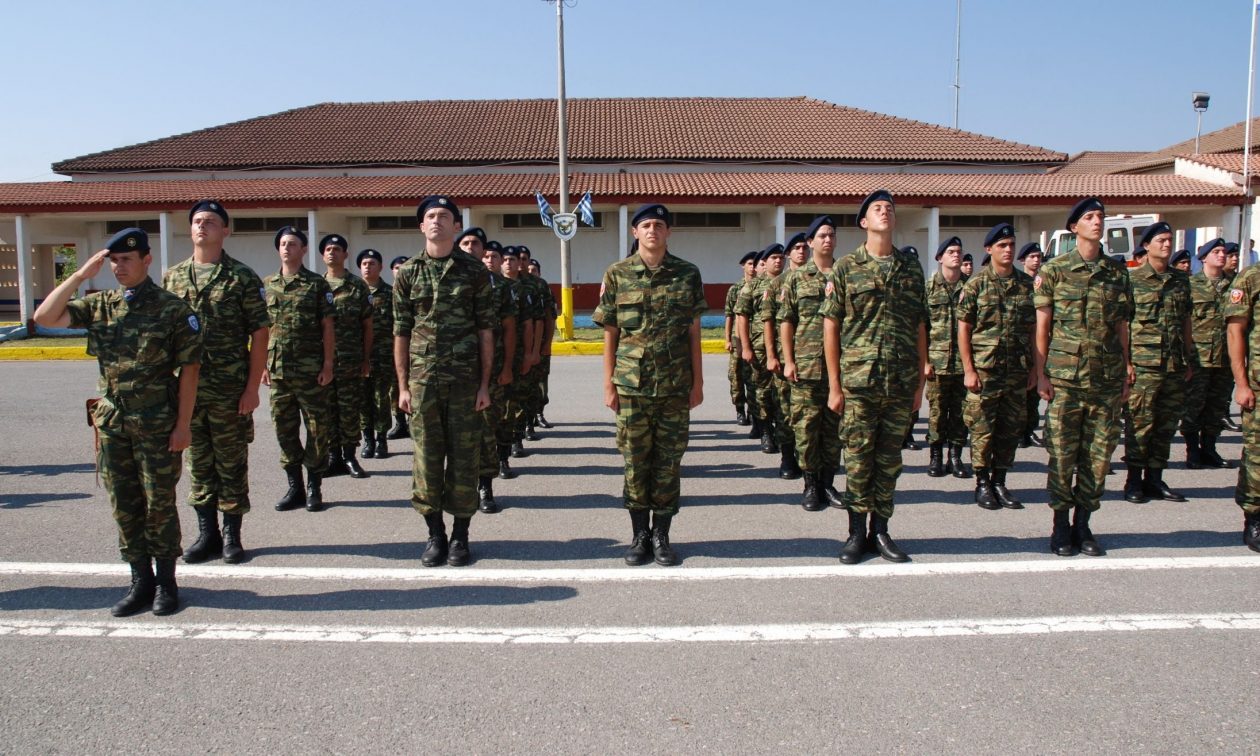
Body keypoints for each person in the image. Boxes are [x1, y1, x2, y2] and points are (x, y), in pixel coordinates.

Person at [35, 228, 201, 616]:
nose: (118, 266)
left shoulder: (173, 309)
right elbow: (45, 316)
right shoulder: (102, 305)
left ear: (146, 260)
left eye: (127, 259)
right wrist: (78, 276)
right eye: (113, 260)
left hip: (158, 421)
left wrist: (183, 425)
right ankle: (139, 581)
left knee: (158, 504)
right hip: (113, 423)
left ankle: (166, 584)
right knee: (124, 505)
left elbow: (189, 372)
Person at [594, 203, 706, 566]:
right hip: (631, 387)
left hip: (675, 386)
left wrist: (698, 382)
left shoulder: (687, 274)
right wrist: (609, 383)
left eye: (660, 225)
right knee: (635, 463)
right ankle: (639, 534)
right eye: (646, 225)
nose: (653, 230)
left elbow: (693, 333)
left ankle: (662, 535)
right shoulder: (617, 274)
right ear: (635, 232)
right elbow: (610, 332)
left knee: (668, 464)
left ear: (668, 232)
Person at [822, 190, 927, 564]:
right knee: (858, 459)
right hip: (859, 383)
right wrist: (834, 385)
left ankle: (880, 531)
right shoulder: (847, 267)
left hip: (899, 382)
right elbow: (831, 326)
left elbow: (919, 326)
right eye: (876, 209)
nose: (885, 212)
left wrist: (920, 383)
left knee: (889, 462)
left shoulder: (910, 268)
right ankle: (855, 533)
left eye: (889, 208)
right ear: (864, 222)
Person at [162, 200, 269, 565]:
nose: (202, 226)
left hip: (229, 389)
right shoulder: (172, 277)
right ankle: (206, 533)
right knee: (198, 463)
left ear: (226, 230)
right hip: (186, 393)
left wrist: (252, 387)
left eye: (210, 222)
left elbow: (259, 333)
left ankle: (231, 536)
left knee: (232, 462)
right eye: (196, 221)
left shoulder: (242, 277)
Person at [393, 196, 496, 567]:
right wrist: (403, 386)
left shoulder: (474, 272)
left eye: (444, 217)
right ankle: (435, 534)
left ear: (456, 226)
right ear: (422, 226)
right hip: (423, 383)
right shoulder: (408, 273)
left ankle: (461, 536)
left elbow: (487, 331)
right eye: (430, 216)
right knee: (426, 460)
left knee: (465, 459)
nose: (436, 221)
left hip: (466, 382)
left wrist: (485, 385)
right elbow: (401, 332)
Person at [1034, 198, 1133, 557]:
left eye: (1100, 217)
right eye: (1089, 217)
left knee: (1098, 456)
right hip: (1066, 379)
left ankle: (1084, 524)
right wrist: (1041, 373)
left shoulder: (1117, 272)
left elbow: (1122, 326)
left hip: (1106, 379)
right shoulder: (1056, 270)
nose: (1097, 222)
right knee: (1062, 454)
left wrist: (1125, 370)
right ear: (1074, 227)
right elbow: (1042, 326)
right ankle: (1060, 525)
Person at [958, 222, 1035, 510]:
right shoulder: (976, 285)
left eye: (1011, 245)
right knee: (982, 429)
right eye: (1002, 245)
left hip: (1016, 370)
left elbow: (1032, 331)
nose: (1008, 249)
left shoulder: (1026, 285)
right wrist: (968, 369)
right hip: (985, 370)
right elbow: (963, 328)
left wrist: (1035, 370)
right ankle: (982, 483)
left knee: (1009, 429)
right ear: (989, 249)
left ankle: (1000, 481)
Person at [264, 226, 335, 512]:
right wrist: (261, 366)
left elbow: (327, 327)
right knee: (284, 429)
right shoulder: (267, 284)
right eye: (282, 243)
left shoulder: (317, 285)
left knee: (318, 429)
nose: (286, 248)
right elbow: (260, 329)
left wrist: (328, 364)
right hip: (278, 370)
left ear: (303, 250)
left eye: (292, 244)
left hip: (310, 370)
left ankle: (314, 485)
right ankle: (294, 485)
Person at [1122, 222, 1191, 503]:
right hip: (1143, 364)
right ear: (1147, 246)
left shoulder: (1180, 280)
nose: (1166, 244)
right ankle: (1133, 480)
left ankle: (1155, 479)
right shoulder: (1132, 280)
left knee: (1165, 425)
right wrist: (1126, 363)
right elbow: (1123, 324)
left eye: (1169, 239)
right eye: (1161, 240)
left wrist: (1188, 357)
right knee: (1140, 424)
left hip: (1174, 364)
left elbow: (1185, 321)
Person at [781, 217, 845, 512]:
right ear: (810, 242)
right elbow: (787, 321)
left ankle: (828, 483)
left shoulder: (845, 274)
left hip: (840, 366)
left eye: (831, 235)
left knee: (833, 430)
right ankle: (810, 485)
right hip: (805, 366)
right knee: (806, 429)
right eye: (821, 235)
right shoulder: (795, 278)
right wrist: (788, 360)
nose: (827, 240)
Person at [320, 234, 373, 479]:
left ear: (346, 255)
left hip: (351, 359)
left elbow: (367, 325)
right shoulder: (317, 286)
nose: (333, 252)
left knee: (350, 409)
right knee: (328, 409)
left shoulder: (357, 286)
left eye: (337, 249)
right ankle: (333, 457)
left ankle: (350, 456)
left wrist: (366, 358)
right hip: (324, 361)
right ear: (323, 256)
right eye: (328, 249)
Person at [1183, 238, 1236, 469]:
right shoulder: (1190, 285)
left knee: (1216, 406)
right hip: (1199, 357)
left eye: (1223, 251)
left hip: (1226, 356)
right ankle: (1193, 451)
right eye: (1216, 251)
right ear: (1203, 257)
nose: (1222, 255)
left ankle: (1210, 448)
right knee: (1194, 405)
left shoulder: (1235, 286)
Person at [473, 236, 518, 513]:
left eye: (488, 253)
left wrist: (507, 366)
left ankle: (485, 485)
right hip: (458, 370)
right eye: (465, 244)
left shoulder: (501, 287)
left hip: (493, 366)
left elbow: (511, 328)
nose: (485, 258)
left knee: (489, 427)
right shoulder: (456, 281)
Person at [762, 232, 808, 479]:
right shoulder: (777, 284)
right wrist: (771, 355)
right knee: (786, 410)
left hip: (814, 359)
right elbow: (768, 321)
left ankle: (810, 461)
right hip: (784, 358)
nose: (801, 252)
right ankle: (788, 457)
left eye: (804, 247)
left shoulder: (824, 278)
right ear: (790, 254)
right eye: (797, 248)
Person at [1223, 257, 1260, 551]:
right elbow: (1235, 331)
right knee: (1257, 456)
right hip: (1259, 384)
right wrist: (1242, 383)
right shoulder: (1251, 278)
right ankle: (1254, 516)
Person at [925, 236, 969, 479]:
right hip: (937, 363)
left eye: (959, 251)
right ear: (940, 257)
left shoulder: (971, 288)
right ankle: (936, 456)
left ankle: (955, 457)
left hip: (963, 364)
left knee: (961, 412)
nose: (956, 255)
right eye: (951, 251)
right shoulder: (929, 289)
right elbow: (921, 327)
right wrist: (924, 361)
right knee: (937, 413)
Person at [738, 244, 784, 456]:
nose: (778, 261)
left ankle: (782, 432)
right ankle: (765, 430)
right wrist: (745, 347)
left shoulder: (788, 282)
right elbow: (742, 316)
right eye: (773, 258)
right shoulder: (753, 287)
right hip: (759, 348)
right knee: (761, 390)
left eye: (780, 258)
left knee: (783, 393)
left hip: (784, 347)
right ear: (764, 263)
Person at [501, 246, 541, 461]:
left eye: (512, 259)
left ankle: (515, 438)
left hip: (517, 353)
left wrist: (532, 352)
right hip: (495, 354)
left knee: (516, 399)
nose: (508, 263)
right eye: (504, 259)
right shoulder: (491, 286)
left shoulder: (527, 289)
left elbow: (533, 323)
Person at [357, 249, 394, 460]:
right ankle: (367, 439)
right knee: (363, 400)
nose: (367, 267)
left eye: (372, 263)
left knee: (381, 399)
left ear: (380, 267)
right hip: (359, 355)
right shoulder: (355, 292)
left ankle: (381, 439)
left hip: (383, 354)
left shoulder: (390, 294)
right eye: (364, 264)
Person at [1018, 242, 1046, 448]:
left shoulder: (1044, 283)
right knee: (1020, 392)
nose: (1036, 261)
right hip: (1022, 345)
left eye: (1038, 257)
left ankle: (1029, 430)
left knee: (1035, 394)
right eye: (1032, 257)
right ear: (1023, 261)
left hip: (1040, 345)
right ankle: (1019, 432)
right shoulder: (1019, 284)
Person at [726, 251, 757, 425]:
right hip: (737, 338)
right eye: (750, 264)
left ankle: (753, 410)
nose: (752, 268)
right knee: (736, 375)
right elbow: (729, 315)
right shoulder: (735, 289)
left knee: (753, 377)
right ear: (743, 266)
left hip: (756, 338)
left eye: (755, 264)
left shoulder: (761, 287)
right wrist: (727, 339)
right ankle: (739, 408)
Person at [527, 256, 557, 431]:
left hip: (542, 344)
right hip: (523, 347)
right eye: (529, 270)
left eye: (534, 271)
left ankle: (539, 413)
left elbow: (550, 317)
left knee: (541, 384)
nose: (531, 273)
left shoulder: (543, 288)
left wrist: (547, 345)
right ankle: (527, 421)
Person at [385, 255, 411, 440]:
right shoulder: (386, 294)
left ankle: (411, 422)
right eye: (396, 267)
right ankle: (399, 422)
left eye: (403, 267)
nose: (399, 270)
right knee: (394, 388)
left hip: (411, 348)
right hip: (387, 348)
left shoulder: (413, 292)